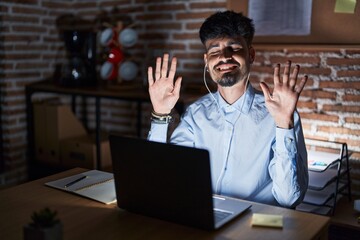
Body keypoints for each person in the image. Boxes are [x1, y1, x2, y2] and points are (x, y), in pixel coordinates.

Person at [146, 10, 308, 208]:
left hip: (256, 225)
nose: (224, 57)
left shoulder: (279, 113)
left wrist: (284, 124)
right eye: (215, 51)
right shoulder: (196, 114)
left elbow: (289, 199)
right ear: (207, 61)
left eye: (234, 48)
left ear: (251, 54)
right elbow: (164, 177)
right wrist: (160, 114)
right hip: (203, 217)